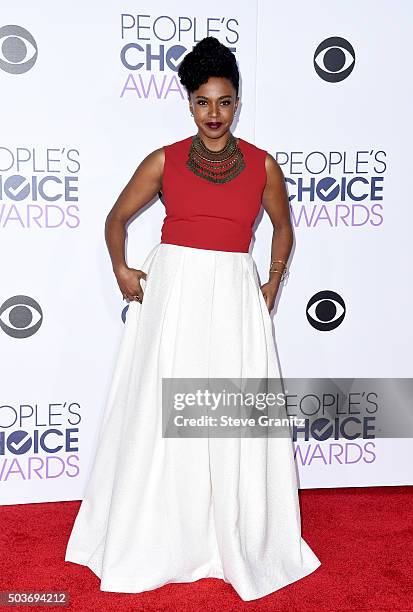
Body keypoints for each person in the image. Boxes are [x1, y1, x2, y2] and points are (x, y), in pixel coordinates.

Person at [65, 36, 321, 601]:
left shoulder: (263, 164)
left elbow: (283, 228)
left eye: (224, 101)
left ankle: (229, 535)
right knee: (164, 409)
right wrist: (121, 270)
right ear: (188, 102)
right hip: (173, 293)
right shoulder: (163, 159)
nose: (213, 113)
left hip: (233, 294)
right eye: (203, 101)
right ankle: (162, 533)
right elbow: (116, 217)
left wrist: (272, 282)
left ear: (238, 102)